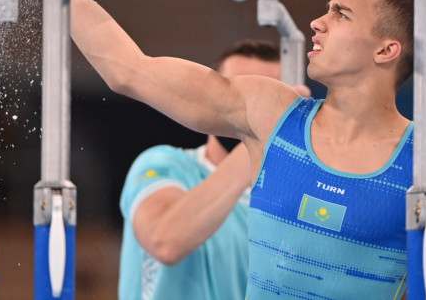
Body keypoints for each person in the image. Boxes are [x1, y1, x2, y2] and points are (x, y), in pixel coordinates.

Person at [5, 0, 426, 299]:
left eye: (341, 14)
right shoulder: (270, 114)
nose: (317, 22)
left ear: (387, 49)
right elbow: (131, 71)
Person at [119, 40, 308, 299]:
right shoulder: (164, 164)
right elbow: (165, 242)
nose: (249, 108)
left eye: (263, 97)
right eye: (238, 93)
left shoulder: (296, 199)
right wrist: (262, 136)